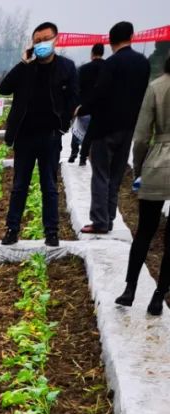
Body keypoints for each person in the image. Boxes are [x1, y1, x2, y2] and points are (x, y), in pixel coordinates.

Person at [0, 21, 78, 247]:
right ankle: (12, 229)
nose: (42, 44)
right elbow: (4, 88)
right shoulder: (27, 69)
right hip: (24, 136)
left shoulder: (66, 68)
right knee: (19, 186)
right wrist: (23, 63)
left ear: (56, 39)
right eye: (37, 41)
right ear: (32, 45)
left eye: (45, 39)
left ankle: (51, 232)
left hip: (50, 137)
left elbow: (73, 98)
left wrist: (63, 125)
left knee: (49, 186)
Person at [77, 21, 151, 234]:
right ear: (132, 36)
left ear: (111, 41)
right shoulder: (142, 63)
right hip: (128, 127)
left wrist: (81, 109)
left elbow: (100, 94)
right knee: (116, 176)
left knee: (100, 174)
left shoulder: (111, 64)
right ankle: (109, 219)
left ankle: (100, 221)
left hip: (105, 127)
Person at [116, 54, 170, 316]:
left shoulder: (157, 87)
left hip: (158, 163)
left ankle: (130, 289)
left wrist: (139, 168)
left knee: (145, 230)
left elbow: (140, 139)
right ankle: (159, 295)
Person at [69, 42, 104, 163]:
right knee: (94, 134)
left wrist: (75, 106)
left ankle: (74, 153)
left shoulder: (83, 69)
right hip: (101, 108)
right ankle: (85, 156)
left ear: (92, 53)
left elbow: (76, 89)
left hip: (84, 106)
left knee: (78, 130)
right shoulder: (108, 68)